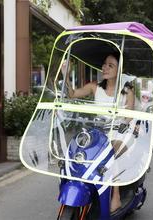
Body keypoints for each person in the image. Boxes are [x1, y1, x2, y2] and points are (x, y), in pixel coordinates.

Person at [61, 53, 135, 212]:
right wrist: (65, 74)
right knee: (77, 151)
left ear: (119, 69)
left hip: (119, 134)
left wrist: (123, 122)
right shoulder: (95, 86)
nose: (105, 67)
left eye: (110, 65)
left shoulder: (127, 90)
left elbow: (130, 114)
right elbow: (72, 94)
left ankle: (115, 196)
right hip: (97, 133)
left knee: (112, 154)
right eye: (104, 64)